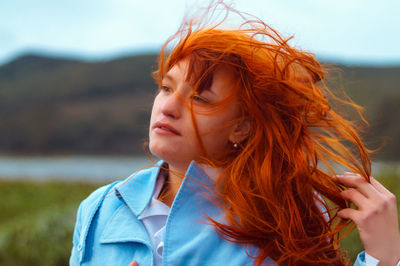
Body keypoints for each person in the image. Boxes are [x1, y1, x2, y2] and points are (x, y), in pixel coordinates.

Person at [69, 2, 400, 265]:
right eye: (166, 87)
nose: (169, 106)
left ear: (241, 126)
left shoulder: (283, 218)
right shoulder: (101, 208)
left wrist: (384, 259)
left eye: (200, 98)